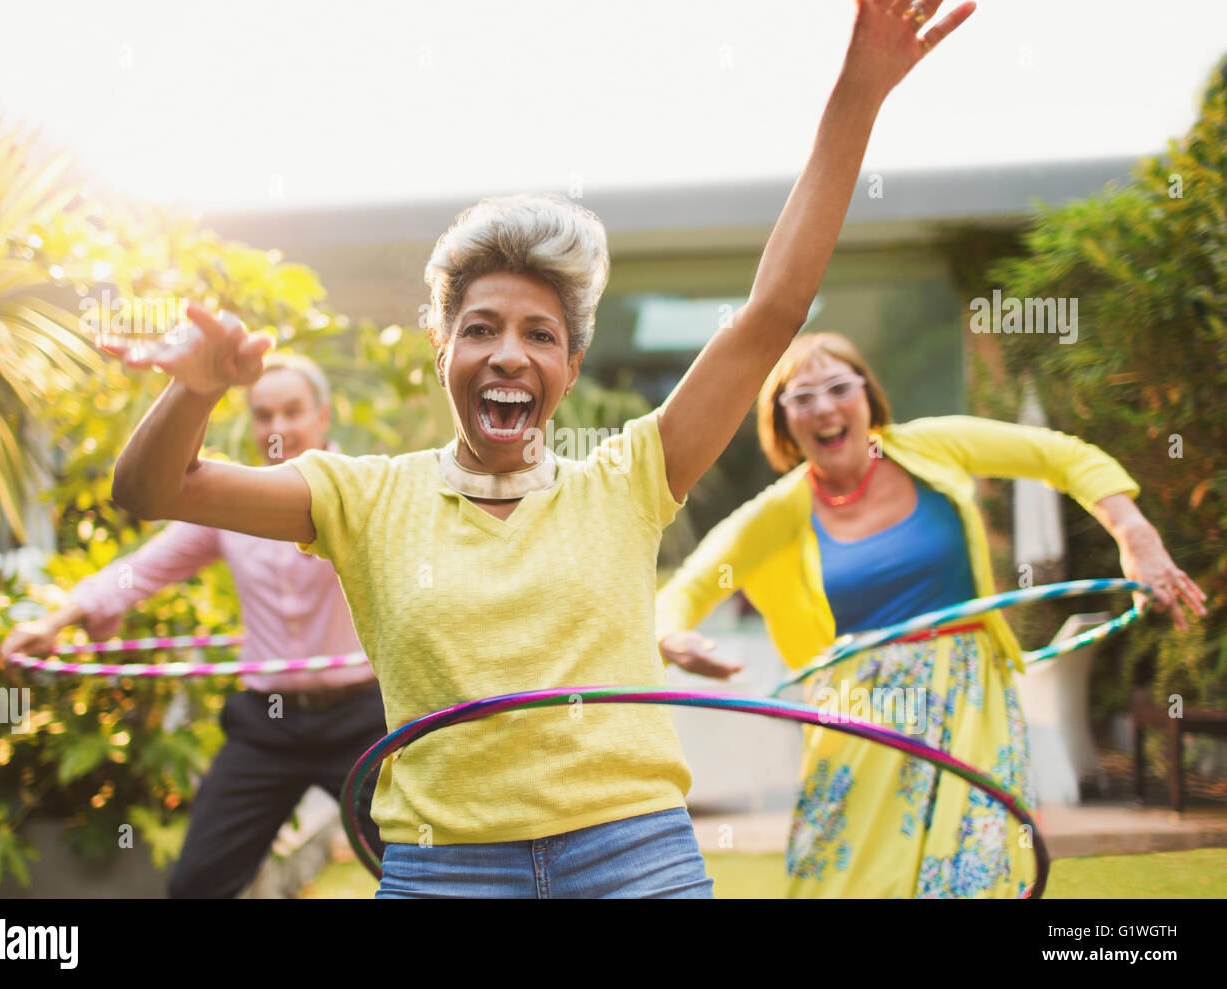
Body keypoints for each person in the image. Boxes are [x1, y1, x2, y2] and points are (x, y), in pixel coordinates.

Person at [103, 0, 978, 898]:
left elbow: (773, 311)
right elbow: (153, 487)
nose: (510, 352)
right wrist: (198, 386)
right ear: (442, 350)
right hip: (444, 865)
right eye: (480, 328)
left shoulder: (631, 478)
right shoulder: (359, 496)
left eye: (540, 334)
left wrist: (858, 95)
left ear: (571, 364)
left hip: (634, 853)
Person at [656, 331, 1208, 898]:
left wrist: (1133, 532)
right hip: (860, 717)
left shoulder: (933, 447)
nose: (824, 407)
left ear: (867, 396)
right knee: (849, 884)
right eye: (802, 397)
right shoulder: (781, 509)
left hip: (970, 697)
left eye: (838, 388)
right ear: (783, 421)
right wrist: (673, 636)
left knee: (973, 874)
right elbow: (691, 584)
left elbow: (1062, 454)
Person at [0, 353, 388, 898]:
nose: (277, 428)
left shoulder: (369, 491)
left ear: (322, 417)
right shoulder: (233, 504)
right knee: (195, 885)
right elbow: (141, 570)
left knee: (420, 872)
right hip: (266, 727)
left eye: (292, 412)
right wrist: (59, 619)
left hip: (360, 721)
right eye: (263, 415)